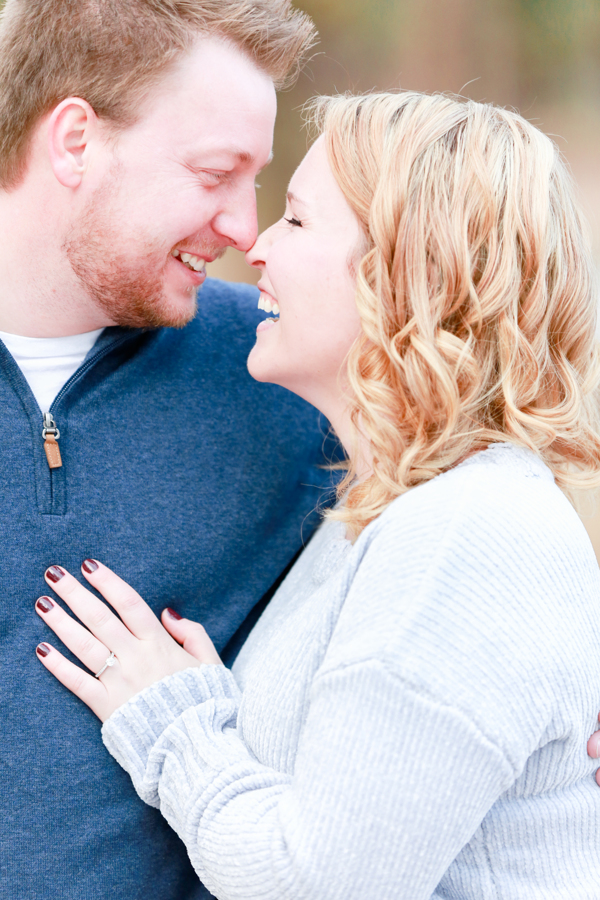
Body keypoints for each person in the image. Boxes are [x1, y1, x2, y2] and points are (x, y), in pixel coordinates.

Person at [36, 91, 600, 898]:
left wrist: (174, 720)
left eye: (296, 221)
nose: (256, 246)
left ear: (410, 268)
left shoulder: (463, 533)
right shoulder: (388, 507)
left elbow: (318, 885)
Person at [0, 2, 339, 899]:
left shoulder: (290, 367)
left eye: (258, 182)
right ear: (75, 140)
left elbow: (495, 518)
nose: (244, 229)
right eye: (215, 173)